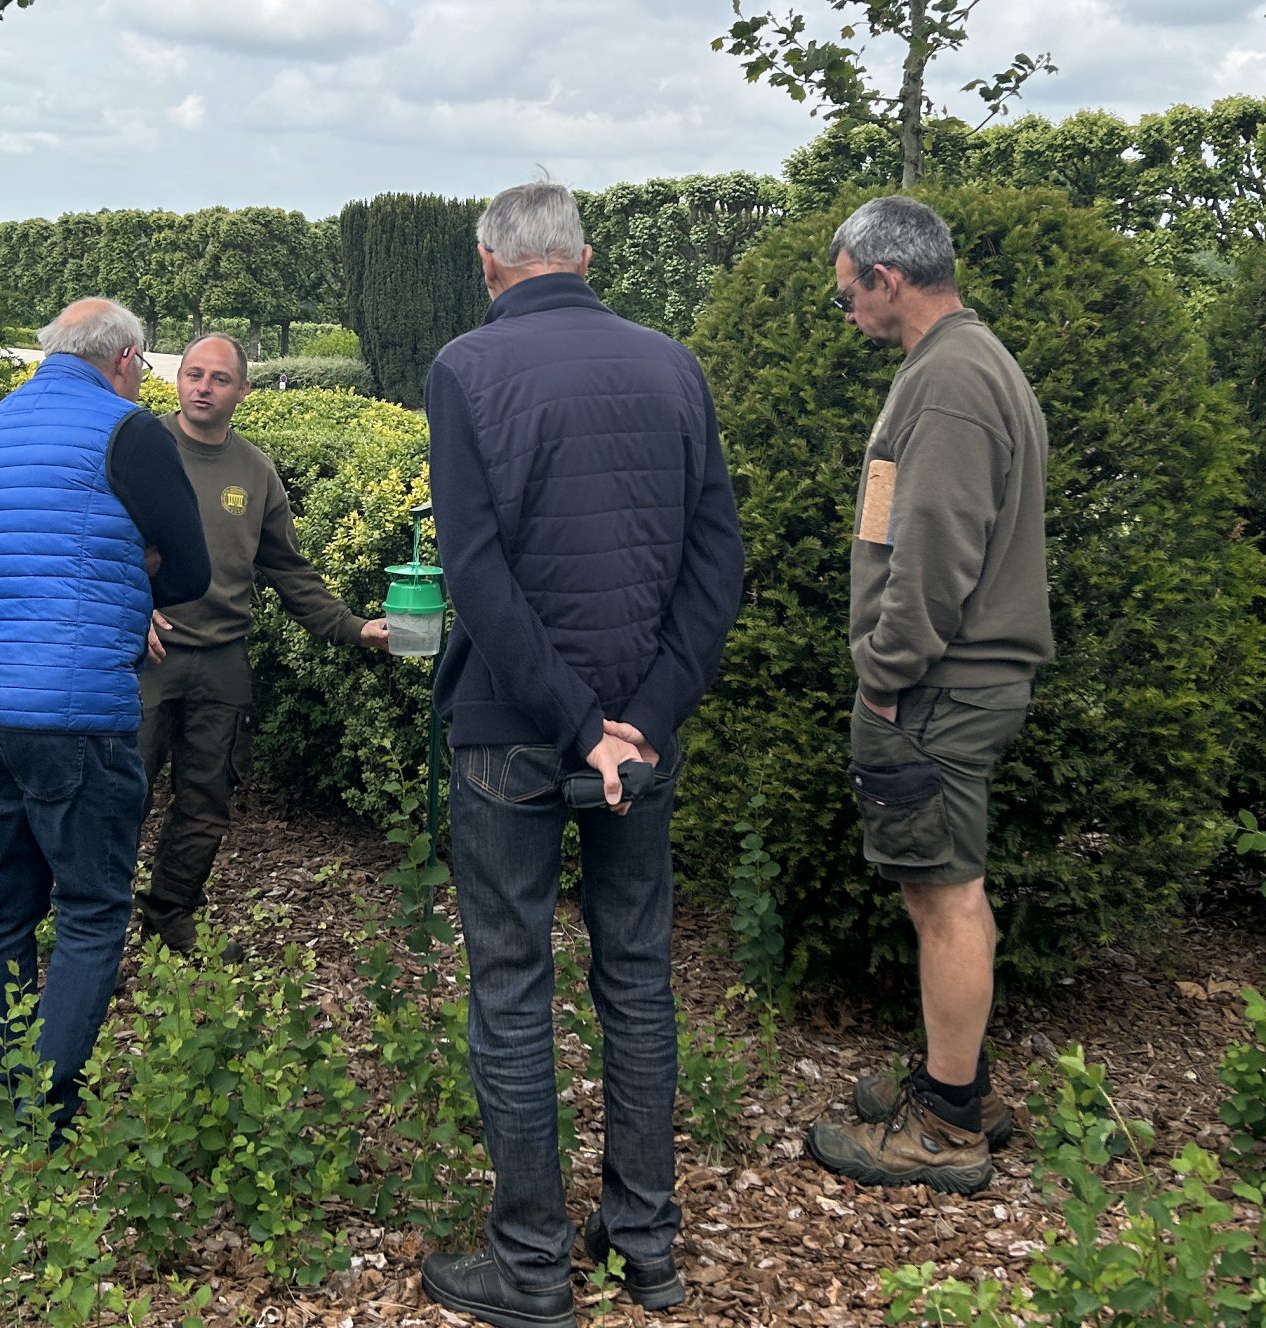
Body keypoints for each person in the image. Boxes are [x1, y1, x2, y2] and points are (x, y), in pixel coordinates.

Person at [418, 181, 744, 1328]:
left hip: (516, 731)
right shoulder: (673, 365)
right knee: (637, 979)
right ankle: (645, 1247)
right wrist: (640, 720)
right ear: (586, 256)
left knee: (513, 987)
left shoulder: (465, 368)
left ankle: (529, 1266)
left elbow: (475, 571)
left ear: (488, 263)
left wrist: (572, 724)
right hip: (639, 741)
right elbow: (717, 566)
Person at [802, 196, 1051, 1196]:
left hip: (938, 684)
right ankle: (963, 1084)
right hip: (957, 677)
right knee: (951, 886)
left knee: (942, 894)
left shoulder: (947, 380)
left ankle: (946, 1129)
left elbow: (935, 550)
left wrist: (886, 672)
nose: (848, 313)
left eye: (847, 295)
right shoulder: (963, 361)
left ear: (885, 279)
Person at [0, 297, 209, 1131]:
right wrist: (142, 585)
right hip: (75, 707)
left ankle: (10, 1081)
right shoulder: (129, 432)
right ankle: (43, 1106)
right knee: (94, 906)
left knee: (6, 902)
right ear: (128, 358)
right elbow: (192, 570)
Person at [137, 332, 389, 954]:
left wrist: (353, 627)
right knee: (121, 796)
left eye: (219, 378)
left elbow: (288, 569)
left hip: (222, 660)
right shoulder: (143, 448)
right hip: (145, 657)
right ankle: (90, 937)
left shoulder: (255, 470)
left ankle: (171, 919)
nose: (202, 386)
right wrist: (125, 611)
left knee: (206, 802)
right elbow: (96, 539)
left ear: (243, 391)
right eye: (193, 374)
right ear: (177, 380)